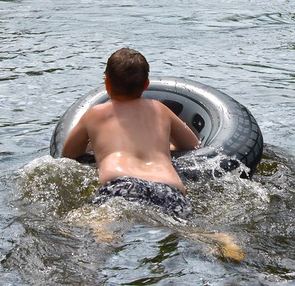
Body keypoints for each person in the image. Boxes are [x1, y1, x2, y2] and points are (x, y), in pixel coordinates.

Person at [62, 47, 200, 219]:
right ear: (146, 85)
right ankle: (224, 240)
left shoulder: (95, 113)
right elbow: (192, 145)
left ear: (106, 83)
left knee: (100, 221)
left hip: (120, 183)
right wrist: (165, 146)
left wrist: (94, 146)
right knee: (189, 228)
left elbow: (69, 153)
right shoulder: (160, 110)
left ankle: (103, 233)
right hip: (167, 186)